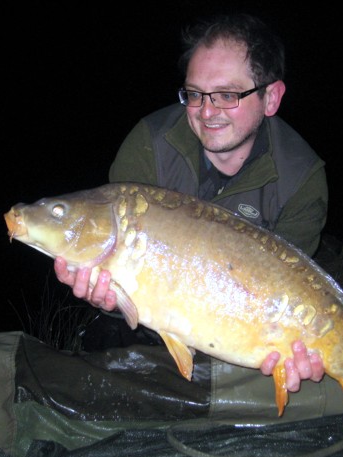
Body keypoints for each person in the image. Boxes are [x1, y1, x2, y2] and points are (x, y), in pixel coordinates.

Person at [55, 13, 327, 392]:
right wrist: (108, 300)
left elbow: (298, 286)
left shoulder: (302, 177)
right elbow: (122, 279)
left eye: (228, 95)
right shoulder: (150, 144)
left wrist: (301, 352)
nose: (206, 111)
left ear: (271, 97)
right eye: (195, 93)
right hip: (150, 327)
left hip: (243, 332)